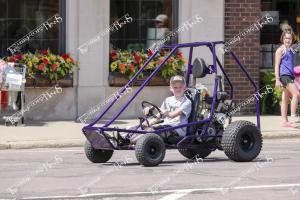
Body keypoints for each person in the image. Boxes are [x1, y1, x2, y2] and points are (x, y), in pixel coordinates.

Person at [118, 75, 192, 144]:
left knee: (150, 131)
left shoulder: (187, 102)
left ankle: (127, 141)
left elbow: (172, 115)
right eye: (175, 87)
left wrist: (158, 109)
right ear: (171, 88)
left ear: (185, 88)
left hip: (176, 130)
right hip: (166, 125)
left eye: (180, 87)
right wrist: (150, 119)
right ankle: (121, 136)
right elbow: (159, 115)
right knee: (141, 126)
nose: (178, 89)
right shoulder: (168, 100)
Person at [275, 30, 300, 127]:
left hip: (290, 75)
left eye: (289, 38)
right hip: (284, 76)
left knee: (285, 98)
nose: (288, 40)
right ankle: (293, 115)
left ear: (292, 39)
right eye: (286, 38)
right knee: (296, 94)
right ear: (282, 38)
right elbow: (277, 65)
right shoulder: (280, 50)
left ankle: (285, 121)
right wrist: (277, 79)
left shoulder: (291, 50)